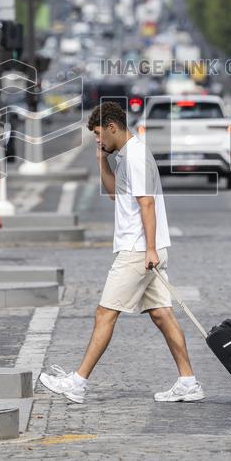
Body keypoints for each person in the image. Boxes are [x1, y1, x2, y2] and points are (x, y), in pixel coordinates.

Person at [39, 101, 203, 404]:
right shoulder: (127, 156)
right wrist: (102, 161)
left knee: (104, 314)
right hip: (145, 249)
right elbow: (116, 194)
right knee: (162, 315)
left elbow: (147, 204)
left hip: (137, 251)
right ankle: (188, 381)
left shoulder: (136, 157)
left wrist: (150, 249)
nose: (98, 141)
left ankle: (77, 382)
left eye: (100, 135)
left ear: (113, 127)